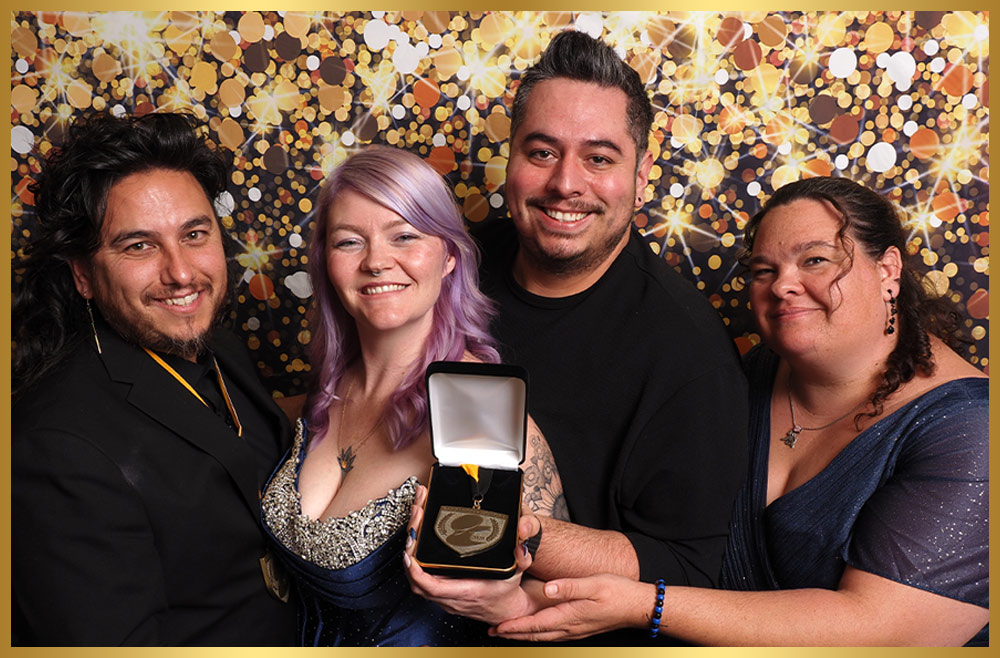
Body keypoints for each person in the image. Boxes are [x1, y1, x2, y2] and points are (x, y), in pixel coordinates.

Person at [490, 177, 989, 646]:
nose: (782, 286)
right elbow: (661, 536)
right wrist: (515, 591)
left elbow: (881, 628)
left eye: (815, 260)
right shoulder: (748, 373)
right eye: (764, 271)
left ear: (888, 272)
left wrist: (648, 605)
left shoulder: (973, 432)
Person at [404, 30, 749, 645]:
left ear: (642, 174)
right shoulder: (453, 264)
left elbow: (694, 568)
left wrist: (504, 524)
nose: (566, 184)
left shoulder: (688, 355)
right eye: (541, 152)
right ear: (509, 158)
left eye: (599, 157)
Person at [258, 145, 566, 646]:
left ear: (448, 256)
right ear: (326, 263)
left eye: (404, 235)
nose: (377, 261)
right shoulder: (327, 391)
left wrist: (507, 601)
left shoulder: (480, 415)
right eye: (348, 242)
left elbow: (557, 610)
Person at [12, 112, 296, 645]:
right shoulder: (52, 450)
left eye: (194, 234)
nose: (182, 273)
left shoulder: (217, 346)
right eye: (139, 245)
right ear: (82, 274)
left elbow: (238, 446)